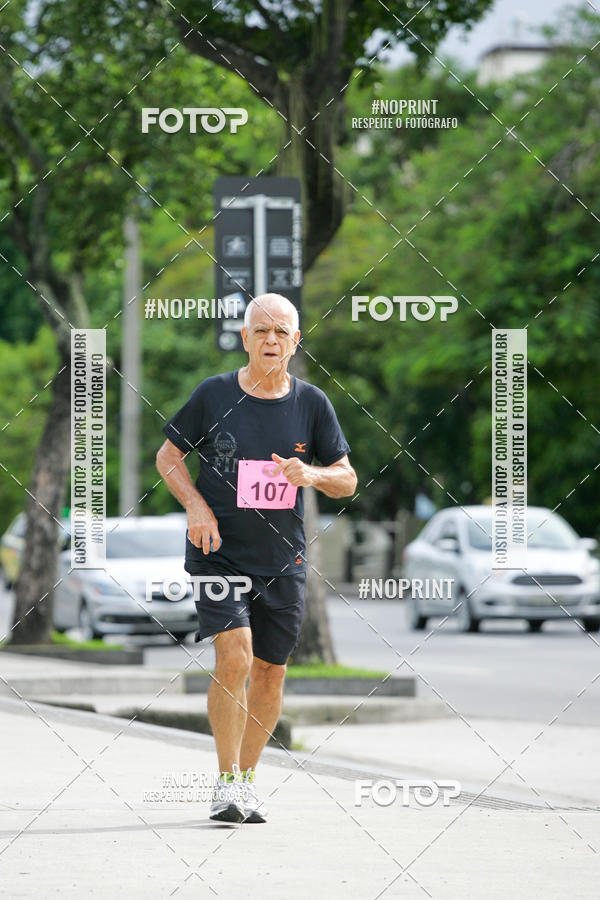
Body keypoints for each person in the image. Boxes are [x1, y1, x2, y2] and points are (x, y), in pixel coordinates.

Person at [156, 292, 357, 824]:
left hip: (282, 560)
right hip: (218, 554)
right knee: (236, 655)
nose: (271, 340)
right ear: (245, 338)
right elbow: (169, 455)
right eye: (260, 331)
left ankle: (246, 781)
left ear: (296, 341)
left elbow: (347, 478)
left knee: (270, 673)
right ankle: (225, 785)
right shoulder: (214, 394)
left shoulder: (312, 403)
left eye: (281, 332)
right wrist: (197, 507)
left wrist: (310, 474)